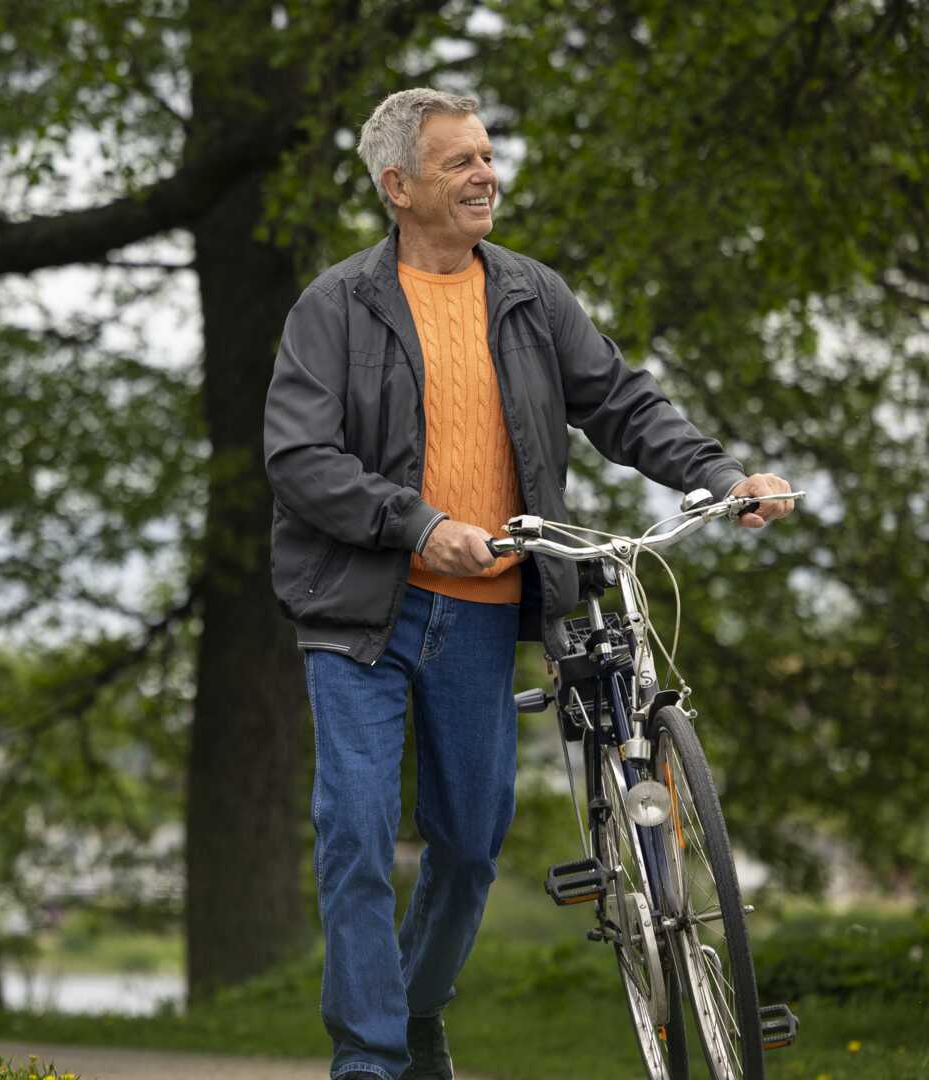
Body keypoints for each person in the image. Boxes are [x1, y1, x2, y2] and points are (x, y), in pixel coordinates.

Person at [260, 88, 792, 1080]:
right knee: (357, 838)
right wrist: (420, 524)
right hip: (358, 616)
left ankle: (417, 1014)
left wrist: (717, 475)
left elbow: (620, 401)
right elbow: (300, 459)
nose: (484, 175)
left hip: (481, 611)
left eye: (487, 156)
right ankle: (369, 1062)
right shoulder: (333, 307)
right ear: (397, 187)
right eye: (459, 161)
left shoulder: (530, 295)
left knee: (467, 848)